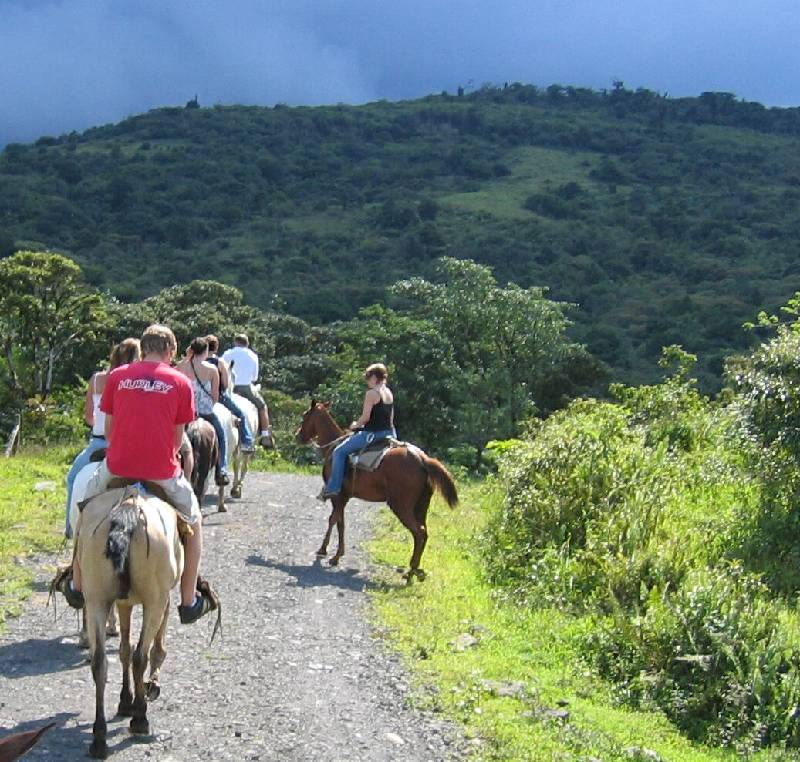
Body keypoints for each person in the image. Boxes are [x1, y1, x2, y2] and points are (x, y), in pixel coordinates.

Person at [59, 324, 217, 625]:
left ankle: (77, 585)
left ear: (143, 349)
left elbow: (107, 429)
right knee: (194, 522)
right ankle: (189, 600)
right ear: (170, 352)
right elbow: (176, 439)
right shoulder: (180, 382)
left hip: (117, 467)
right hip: (161, 473)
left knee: (84, 510)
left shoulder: (117, 377)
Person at [64, 338, 141, 538]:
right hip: (127, 443)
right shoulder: (135, 382)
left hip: (98, 442)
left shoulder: (97, 379)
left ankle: (70, 530)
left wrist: (99, 423)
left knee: (72, 479)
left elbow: (89, 418)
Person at [318, 363, 397, 501]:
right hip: (389, 433)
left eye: (368, 377)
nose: (367, 381)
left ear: (374, 377)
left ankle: (333, 488)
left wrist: (356, 425)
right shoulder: (388, 393)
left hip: (371, 435)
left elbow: (366, 417)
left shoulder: (372, 393)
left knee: (339, 452)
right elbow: (390, 418)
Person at [176, 337, 230, 485]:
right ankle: (222, 469)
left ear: (191, 350)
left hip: (186, 413)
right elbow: (215, 396)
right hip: (206, 413)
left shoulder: (182, 367)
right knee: (221, 435)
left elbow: (173, 372)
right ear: (206, 350)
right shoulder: (212, 369)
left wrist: (187, 357)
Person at [222, 333, 274, 448]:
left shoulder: (228, 353)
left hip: (230, 388)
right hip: (246, 388)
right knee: (262, 406)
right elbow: (254, 377)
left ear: (235, 342)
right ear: (247, 344)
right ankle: (265, 435)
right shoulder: (253, 355)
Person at [205, 334, 255, 453]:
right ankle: (246, 442)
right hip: (220, 396)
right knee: (241, 414)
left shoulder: (198, 361)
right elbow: (226, 385)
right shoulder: (220, 362)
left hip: (199, 396)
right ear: (216, 348)